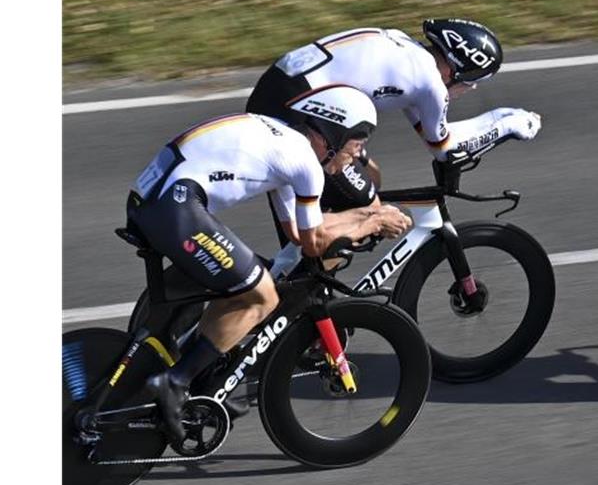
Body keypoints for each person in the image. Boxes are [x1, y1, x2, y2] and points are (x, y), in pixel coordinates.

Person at [128, 86, 411, 440]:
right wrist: (372, 222)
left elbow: (297, 230)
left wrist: (365, 215)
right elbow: (313, 245)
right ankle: (173, 381)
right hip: (176, 207)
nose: (354, 159)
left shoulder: (286, 140)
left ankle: (200, 381)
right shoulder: (306, 164)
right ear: (332, 136)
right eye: (355, 147)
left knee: (241, 288)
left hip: (159, 200)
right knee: (263, 295)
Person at [246, 18, 542, 219]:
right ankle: (308, 292)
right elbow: (444, 148)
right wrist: (507, 123)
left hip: (279, 93)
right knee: (369, 211)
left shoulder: (409, 52)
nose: (472, 88)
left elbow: (433, 134)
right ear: (455, 71)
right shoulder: (431, 85)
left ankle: (304, 271)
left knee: (371, 176)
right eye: (474, 81)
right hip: (294, 115)